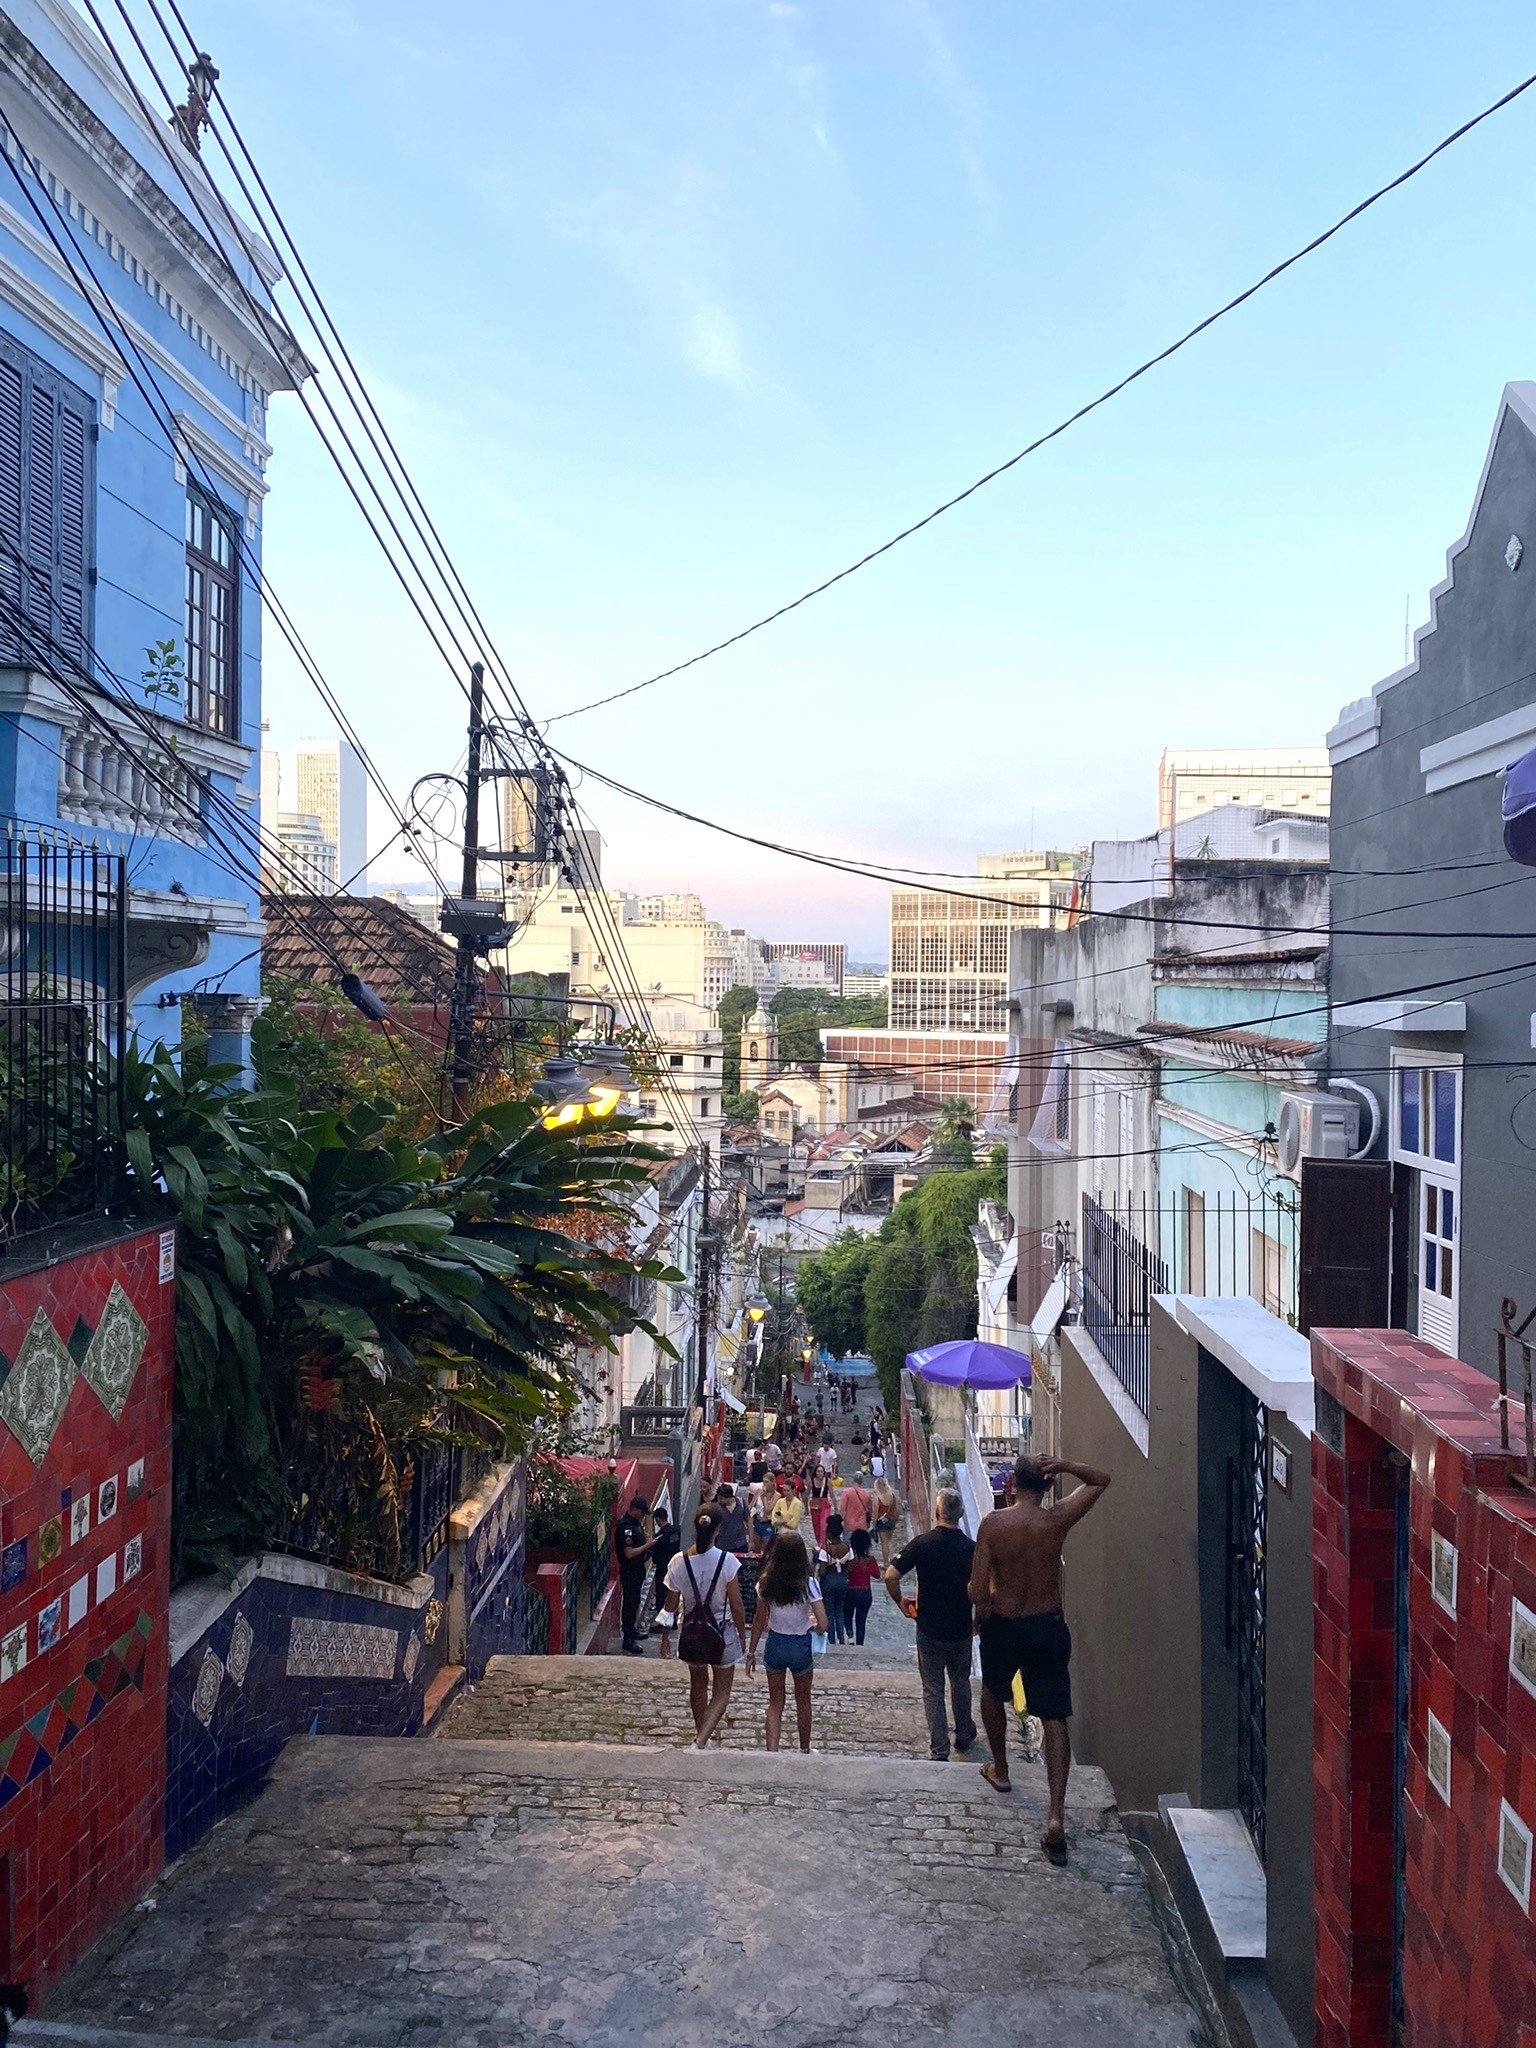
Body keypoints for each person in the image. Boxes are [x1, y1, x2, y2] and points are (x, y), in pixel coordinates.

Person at [968, 1453, 1110, 1864]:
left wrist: (986, 1597)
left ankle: (1001, 1770)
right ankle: (1055, 1816)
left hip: (1006, 1624)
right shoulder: (1056, 1521)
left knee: (994, 1694)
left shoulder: (994, 1525)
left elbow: (978, 1593)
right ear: (1047, 1486)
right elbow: (1100, 1479)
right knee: (1054, 1716)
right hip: (1047, 1624)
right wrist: (1067, 1465)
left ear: (1012, 1483)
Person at [884, 1488, 976, 1761]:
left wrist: (901, 1602)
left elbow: (891, 1575)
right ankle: (964, 1735)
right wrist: (979, 1618)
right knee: (960, 1681)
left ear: (937, 1513)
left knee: (932, 1688)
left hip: (929, 1627)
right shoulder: (972, 1549)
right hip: (961, 1627)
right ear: (960, 1514)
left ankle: (939, 1748)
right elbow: (987, 1587)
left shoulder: (922, 1544)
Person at [657, 1507, 748, 1749]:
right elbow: (737, 1606)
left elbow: (671, 1603)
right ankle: (700, 1740)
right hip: (723, 1633)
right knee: (721, 1693)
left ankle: (702, 1736)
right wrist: (742, 1635)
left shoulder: (678, 1561)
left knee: (697, 1686)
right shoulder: (728, 1562)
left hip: (692, 1633)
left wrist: (665, 1637)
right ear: (717, 1529)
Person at [746, 1535, 828, 1752]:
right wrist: (814, 1627)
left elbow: (758, 1619)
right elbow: (824, 1623)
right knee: (803, 1700)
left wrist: (751, 1651)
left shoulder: (766, 1582)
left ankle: (772, 1750)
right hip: (800, 1644)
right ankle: (804, 1748)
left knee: (775, 1703)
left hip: (775, 1642)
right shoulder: (808, 1584)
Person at [615, 1494, 655, 1655]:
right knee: (630, 1604)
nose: (643, 1515)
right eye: (641, 1512)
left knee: (635, 1602)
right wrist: (647, 1545)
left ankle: (632, 1632)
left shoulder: (635, 1524)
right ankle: (628, 1639)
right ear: (635, 1510)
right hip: (630, 1570)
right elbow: (629, 1553)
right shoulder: (626, 1528)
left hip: (638, 1570)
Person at [817, 1513, 851, 1645]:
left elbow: (822, 1572)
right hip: (842, 1581)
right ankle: (841, 1636)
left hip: (829, 1583)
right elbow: (850, 1566)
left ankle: (831, 1639)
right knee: (839, 1610)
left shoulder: (826, 1550)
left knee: (829, 1611)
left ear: (829, 1534)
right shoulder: (847, 1548)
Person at [844, 1528, 880, 1645]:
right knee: (861, 1621)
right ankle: (860, 1644)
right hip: (865, 1593)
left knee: (847, 1615)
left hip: (850, 1591)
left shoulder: (850, 1560)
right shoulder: (870, 1560)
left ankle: (850, 1637)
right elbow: (877, 1575)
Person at [872, 1472, 900, 1565]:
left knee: (884, 1542)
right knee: (890, 1540)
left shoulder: (877, 1498)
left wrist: (874, 1525)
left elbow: (875, 1513)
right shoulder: (892, 1494)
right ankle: (891, 1560)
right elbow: (896, 1507)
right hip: (891, 1519)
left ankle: (885, 1562)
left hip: (882, 1522)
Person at [714, 1483, 750, 1555]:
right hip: (723, 1544)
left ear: (728, 1497)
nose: (719, 1501)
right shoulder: (717, 1508)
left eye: (721, 1499)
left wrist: (751, 1540)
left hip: (740, 1543)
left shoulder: (741, 1503)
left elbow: (749, 1520)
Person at [771, 1480, 806, 1551]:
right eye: (784, 1490)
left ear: (793, 1490)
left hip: (793, 1535)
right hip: (781, 1533)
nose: (785, 1493)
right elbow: (773, 1519)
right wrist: (786, 1520)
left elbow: (793, 1524)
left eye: (788, 1490)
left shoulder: (797, 1503)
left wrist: (781, 1520)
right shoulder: (780, 1502)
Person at [839, 1472, 874, 1538]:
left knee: (848, 1546)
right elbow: (870, 1509)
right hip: (862, 1525)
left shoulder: (846, 1492)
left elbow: (842, 1508)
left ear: (853, 1479)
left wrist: (839, 1522)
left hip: (849, 1524)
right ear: (862, 1481)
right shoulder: (866, 1494)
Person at [808, 1465, 832, 1547]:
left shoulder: (827, 1481)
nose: (820, 1473)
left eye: (821, 1471)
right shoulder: (812, 1481)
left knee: (823, 1525)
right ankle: (819, 1543)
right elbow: (807, 1494)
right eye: (818, 1471)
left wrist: (836, 1507)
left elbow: (832, 1494)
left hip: (824, 1504)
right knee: (816, 1526)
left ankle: (822, 1544)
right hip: (815, 1504)